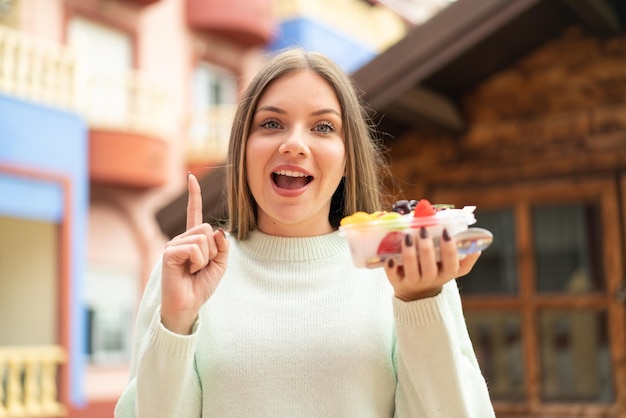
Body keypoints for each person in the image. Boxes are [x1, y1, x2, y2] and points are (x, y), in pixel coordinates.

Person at [115, 48, 495, 417]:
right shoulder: (187, 274)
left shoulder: (408, 265)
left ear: (348, 158)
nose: (294, 143)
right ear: (243, 149)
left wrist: (420, 302)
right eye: (271, 123)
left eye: (323, 127)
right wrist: (177, 323)